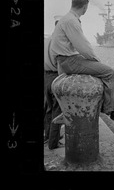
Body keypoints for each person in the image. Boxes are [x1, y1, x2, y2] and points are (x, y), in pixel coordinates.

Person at [49, 0, 114, 123]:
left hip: (62, 62)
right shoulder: (72, 21)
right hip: (70, 61)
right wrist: (97, 61)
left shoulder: (64, 19)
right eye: (86, 7)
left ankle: (67, 112)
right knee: (110, 73)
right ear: (85, 7)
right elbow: (84, 48)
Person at [44, 15, 64, 149]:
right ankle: (53, 143)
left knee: (48, 109)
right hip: (56, 77)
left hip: (46, 77)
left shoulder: (46, 40)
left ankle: (47, 136)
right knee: (57, 111)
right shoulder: (60, 41)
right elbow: (61, 65)